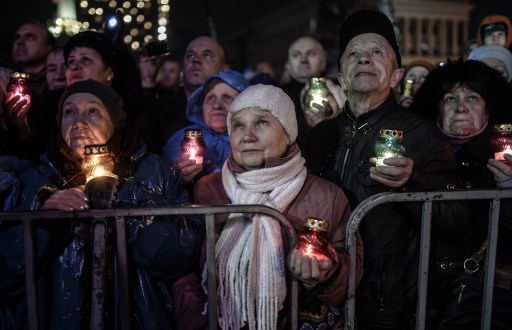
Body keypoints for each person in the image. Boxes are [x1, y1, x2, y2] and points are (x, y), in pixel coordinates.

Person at [305, 9, 466, 329]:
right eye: (353, 54)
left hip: (387, 306)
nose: (364, 59)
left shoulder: (422, 136)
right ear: (341, 78)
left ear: (396, 75)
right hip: (326, 299)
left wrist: (411, 183)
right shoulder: (319, 135)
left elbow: (459, 220)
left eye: (376, 52)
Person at [0, 79, 204, 329]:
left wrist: (118, 198)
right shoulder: (36, 180)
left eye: (93, 111)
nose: (79, 121)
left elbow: (179, 255)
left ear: (114, 120)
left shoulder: (155, 172)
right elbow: (8, 269)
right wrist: (46, 222)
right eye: (69, 112)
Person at [172, 83, 364, 329]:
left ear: (288, 132)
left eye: (262, 123)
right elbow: (183, 269)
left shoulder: (327, 195)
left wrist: (326, 274)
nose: (247, 136)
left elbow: (351, 278)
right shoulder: (208, 189)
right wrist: (198, 320)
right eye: (239, 125)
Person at [409, 59, 512, 329]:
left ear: (489, 111)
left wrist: (508, 188)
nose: (461, 107)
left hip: (484, 298)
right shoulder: (417, 156)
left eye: (473, 97)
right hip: (422, 292)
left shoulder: (506, 158)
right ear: (438, 110)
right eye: (450, 98)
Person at [162, 69, 248, 187]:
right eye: (211, 98)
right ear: (201, 106)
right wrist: (180, 174)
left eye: (227, 97)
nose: (217, 105)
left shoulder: (253, 138)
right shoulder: (184, 137)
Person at [280, 36, 344, 149]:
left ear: (323, 62)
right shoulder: (277, 95)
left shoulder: (341, 90)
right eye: (296, 55)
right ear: (288, 65)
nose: (304, 60)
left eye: (311, 54)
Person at [0, 20, 55, 97]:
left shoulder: (58, 80)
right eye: (17, 37)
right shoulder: (4, 79)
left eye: (30, 37)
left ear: (48, 48)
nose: (19, 42)